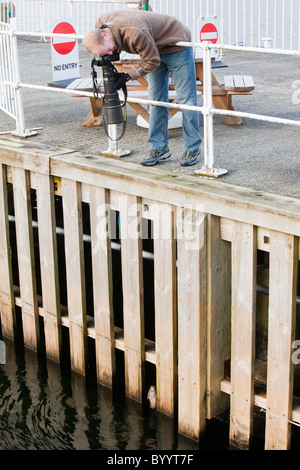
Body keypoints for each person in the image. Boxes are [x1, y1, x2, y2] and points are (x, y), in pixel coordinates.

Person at [83, 9, 202, 167]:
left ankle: (192, 148)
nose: (111, 53)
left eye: (109, 50)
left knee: (186, 98)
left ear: (104, 35)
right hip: (152, 46)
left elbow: (152, 62)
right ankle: (158, 147)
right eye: (106, 53)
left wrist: (126, 77)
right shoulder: (100, 25)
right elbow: (149, 57)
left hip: (176, 43)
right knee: (155, 99)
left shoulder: (135, 33)